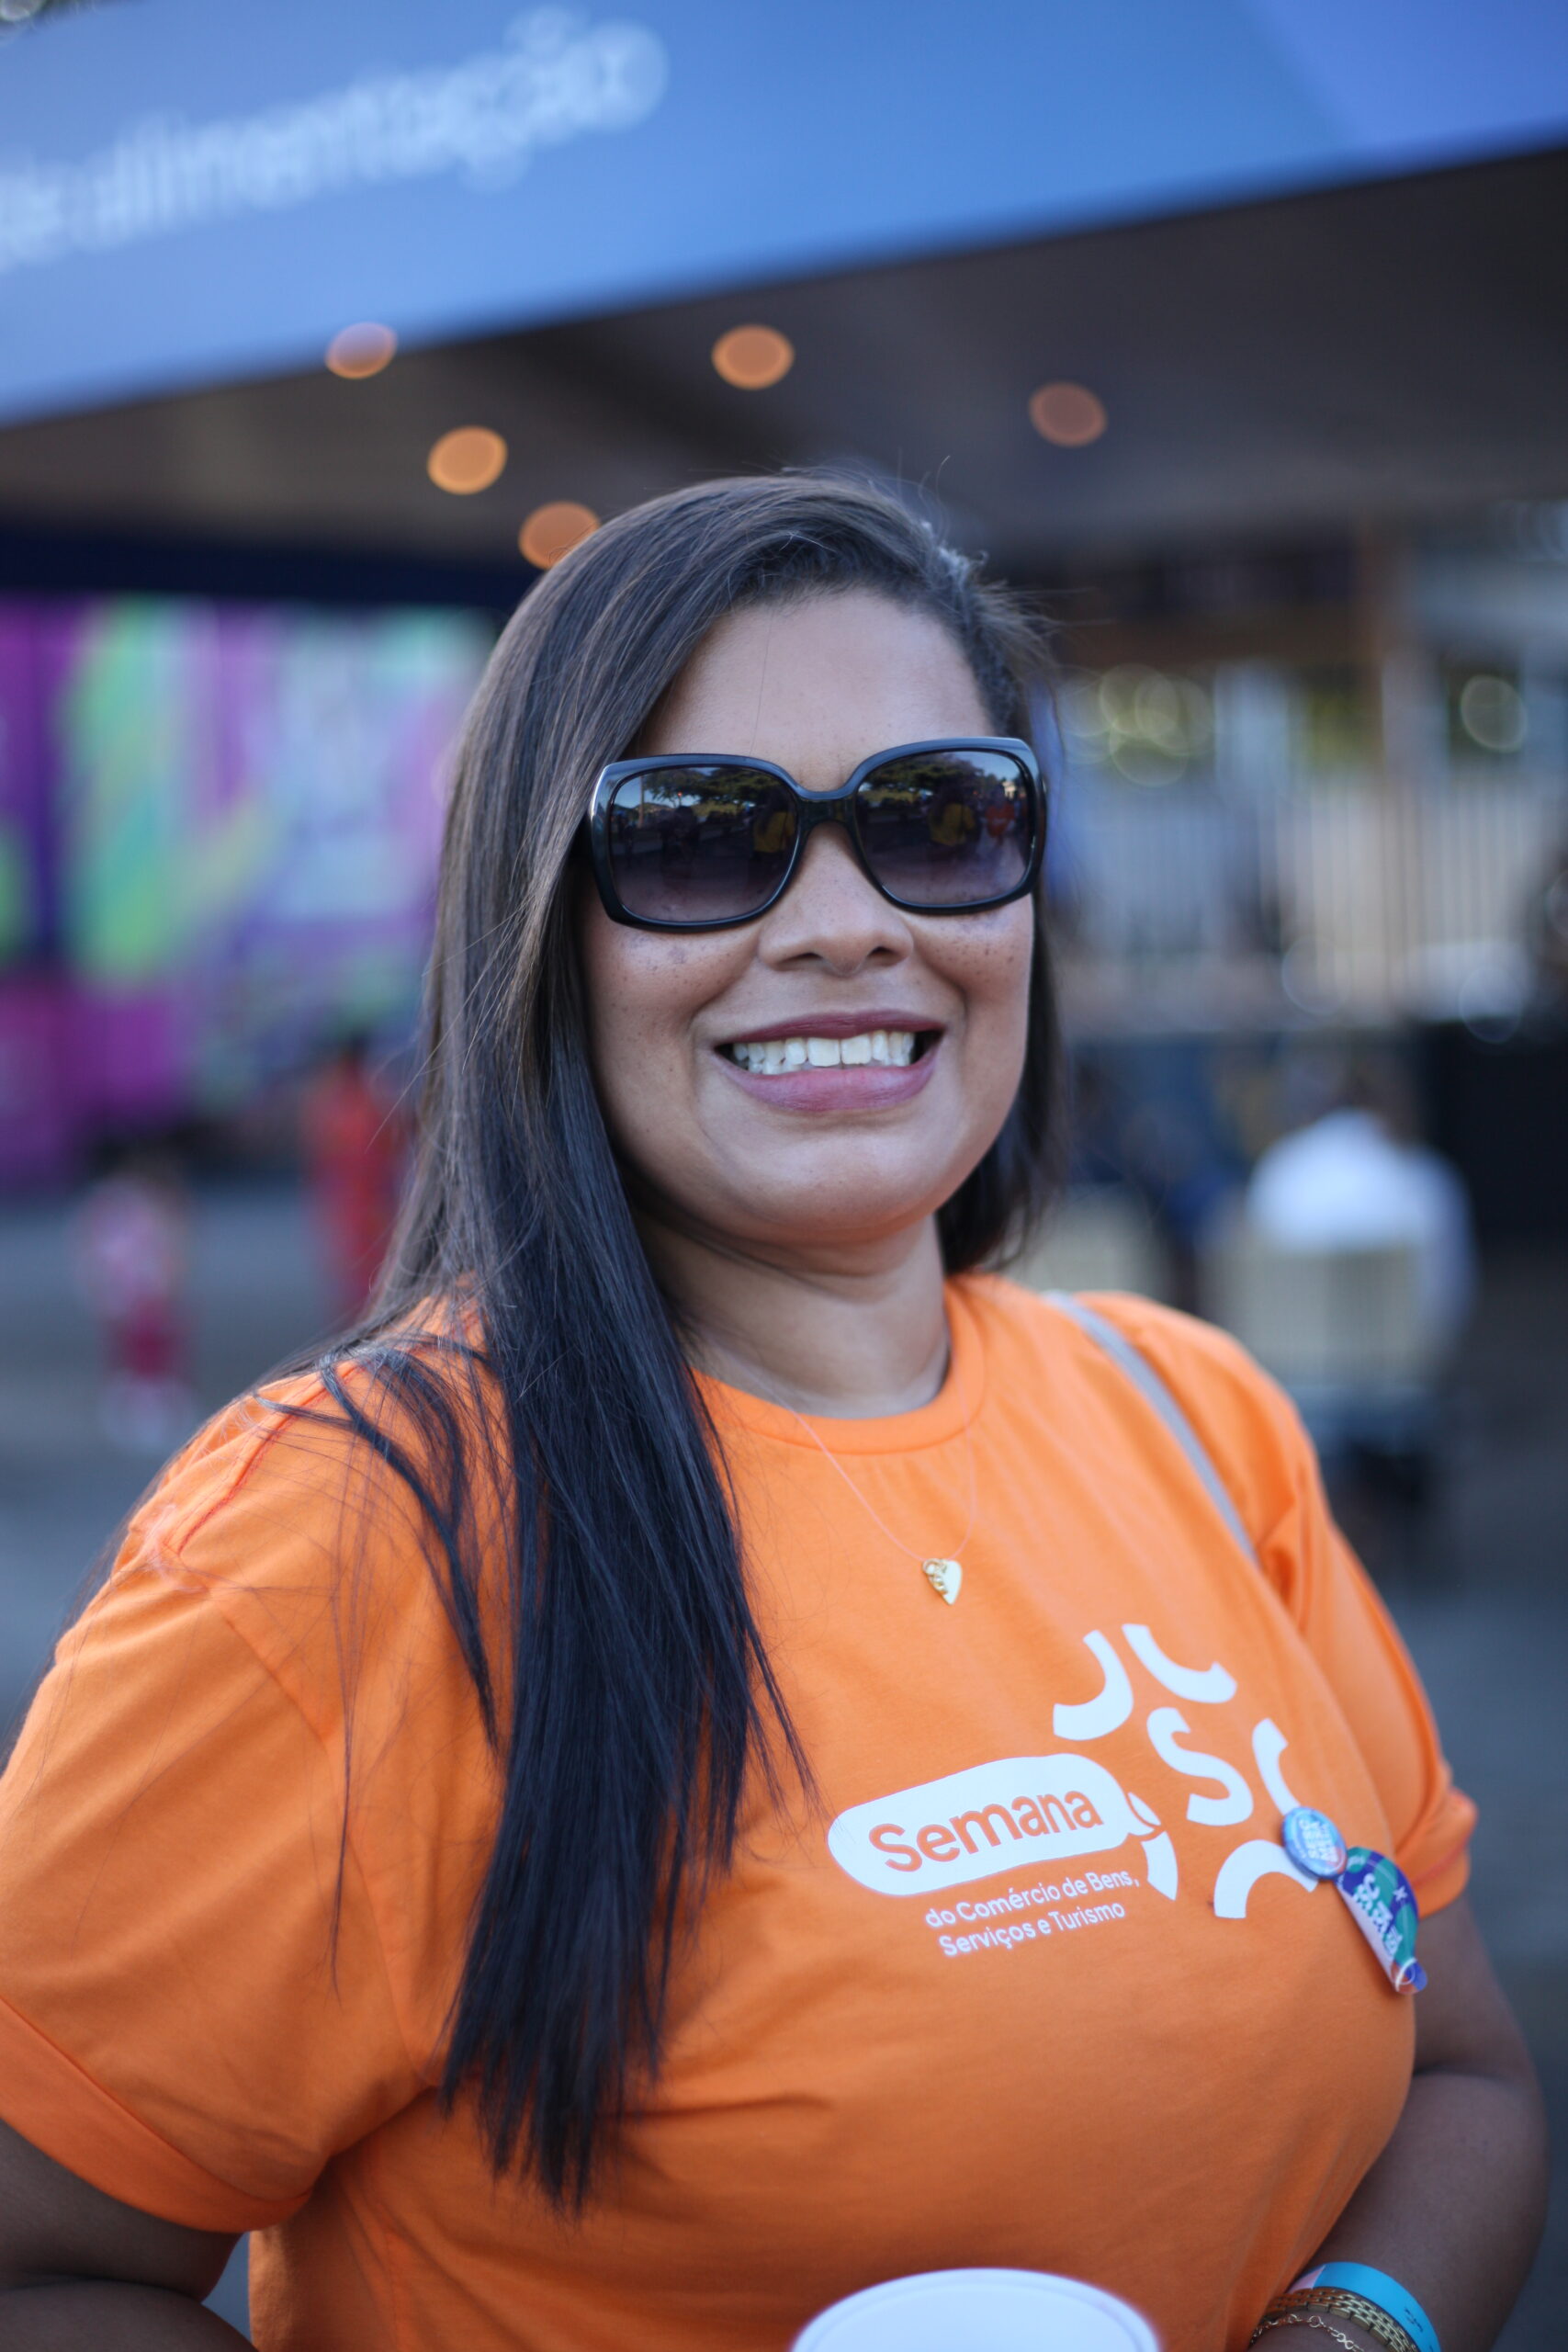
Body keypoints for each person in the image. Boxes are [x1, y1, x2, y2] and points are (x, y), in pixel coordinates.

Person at [0, 479, 1545, 2352]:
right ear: (540, 925)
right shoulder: (340, 1542)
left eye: (937, 819)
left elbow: (1462, 2075)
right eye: (699, 840)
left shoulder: (1197, 1415)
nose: (842, 924)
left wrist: (1347, 2329)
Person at [299, 1034, 407, 1319]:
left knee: (363, 1270)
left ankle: (362, 1322)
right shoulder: (370, 1098)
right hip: (360, 1199)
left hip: (361, 1199)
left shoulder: (345, 1101)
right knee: (361, 1271)